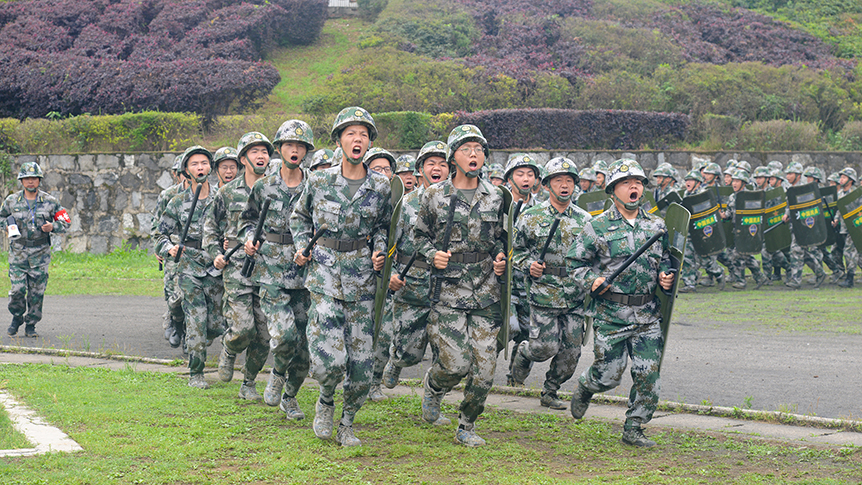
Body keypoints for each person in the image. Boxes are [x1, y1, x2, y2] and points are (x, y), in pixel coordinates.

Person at [290, 106, 391, 447]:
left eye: (363, 134)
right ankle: (326, 400)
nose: (357, 139)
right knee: (330, 360)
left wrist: (379, 250)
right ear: (338, 141)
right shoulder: (318, 181)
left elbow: (382, 227)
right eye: (350, 133)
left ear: (370, 143)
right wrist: (303, 246)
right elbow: (300, 218)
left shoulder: (381, 185)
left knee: (362, 367)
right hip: (324, 275)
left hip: (363, 280)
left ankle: (347, 423)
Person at [566, 159, 675, 448]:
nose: (634, 187)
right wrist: (591, 280)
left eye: (638, 182)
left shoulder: (657, 225)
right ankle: (587, 385)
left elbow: (666, 259)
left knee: (647, 375)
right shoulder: (596, 226)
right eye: (627, 183)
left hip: (648, 314)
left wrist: (667, 275)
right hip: (611, 315)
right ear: (614, 190)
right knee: (609, 375)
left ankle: (634, 427)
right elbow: (574, 263)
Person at [414, 124, 507, 447]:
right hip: (448, 292)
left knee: (485, 368)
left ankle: (467, 424)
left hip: (485, 291)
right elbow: (418, 237)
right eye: (466, 149)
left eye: (479, 149)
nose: (474, 155)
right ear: (453, 156)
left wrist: (500, 256)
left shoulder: (496, 196)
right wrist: (432, 255)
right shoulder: (434, 195)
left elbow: (499, 240)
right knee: (455, 364)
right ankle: (434, 387)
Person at [240, 120, 315, 419]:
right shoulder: (264, 185)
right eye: (288, 145)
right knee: (284, 336)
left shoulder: (316, 184)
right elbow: (247, 219)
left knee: (304, 345)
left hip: (305, 272)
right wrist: (248, 239)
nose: (294, 150)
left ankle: (291, 396)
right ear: (279, 149)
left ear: (306, 151)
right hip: (271, 270)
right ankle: (276, 373)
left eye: (300, 146)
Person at [379, 141, 452, 426]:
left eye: (443, 164)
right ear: (420, 170)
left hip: (448, 286)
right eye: (431, 163)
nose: (437, 168)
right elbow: (389, 244)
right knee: (410, 351)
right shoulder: (406, 204)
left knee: (446, 353)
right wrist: (391, 276)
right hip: (412, 282)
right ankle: (397, 359)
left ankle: (433, 399)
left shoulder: (456, 203)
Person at [511, 157, 592, 410]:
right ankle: (524, 353)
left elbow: (595, 256)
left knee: (570, 354)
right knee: (544, 348)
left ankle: (550, 391)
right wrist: (528, 265)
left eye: (569, 181)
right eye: (558, 180)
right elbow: (516, 251)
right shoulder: (531, 217)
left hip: (575, 296)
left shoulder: (586, 219)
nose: (564, 185)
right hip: (543, 294)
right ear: (546, 185)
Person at [205, 132, 274, 401]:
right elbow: (210, 229)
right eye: (254, 151)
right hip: (236, 268)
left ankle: (249, 382)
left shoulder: (275, 188)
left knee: (264, 335)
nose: (261, 156)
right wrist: (215, 254)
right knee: (243, 328)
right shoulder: (227, 192)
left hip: (268, 268)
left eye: (265, 152)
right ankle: (229, 347)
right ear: (243, 158)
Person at [156, 146, 223, 388]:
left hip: (215, 264)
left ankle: (176, 309)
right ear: (186, 170)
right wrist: (168, 248)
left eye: (204, 163)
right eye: (194, 164)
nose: (200, 168)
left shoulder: (222, 197)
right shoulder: (176, 202)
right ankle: (196, 372)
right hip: (187, 264)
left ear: (210, 168)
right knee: (196, 318)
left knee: (215, 323)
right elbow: (159, 233)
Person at [2, 162, 71, 338]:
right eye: (26, 179)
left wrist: (53, 227)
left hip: (40, 254)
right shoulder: (11, 201)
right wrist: (8, 226)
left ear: (39, 180)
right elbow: (1, 217)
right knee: (17, 290)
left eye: (33, 178)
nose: (30, 182)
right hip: (18, 252)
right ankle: (17, 317)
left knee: (36, 293)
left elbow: (66, 222)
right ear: (21, 181)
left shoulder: (50, 201)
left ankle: (31, 324)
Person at [153, 156, 189, 348]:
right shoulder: (168, 196)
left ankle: (188, 337)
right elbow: (156, 225)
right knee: (173, 293)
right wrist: (160, 247)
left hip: (194, 252)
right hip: (172, 251)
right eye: (181, 173)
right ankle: (175, 322)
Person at [720, 169, 768, 290]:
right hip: (737, 231)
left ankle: (741, 281)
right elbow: (729, 214)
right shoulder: (731, 197)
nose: (734, 183)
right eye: (733, 181)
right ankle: (760, 277)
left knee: (737, 255)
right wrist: (723, 215)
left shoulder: (751, 196)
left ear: (744, 183)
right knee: (745, 256)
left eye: (737, 181)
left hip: (749, 230)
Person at [835, 167, 858, 288]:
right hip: (844, 227)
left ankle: (850, 279)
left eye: (844, 177)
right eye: (841, 177)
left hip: (855, 227)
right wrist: (836, 218)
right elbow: (840, 209)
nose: (841, 179)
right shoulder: (840, 193)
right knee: (856, 253)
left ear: (851, 180)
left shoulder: (856, 193)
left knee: (848, 251)